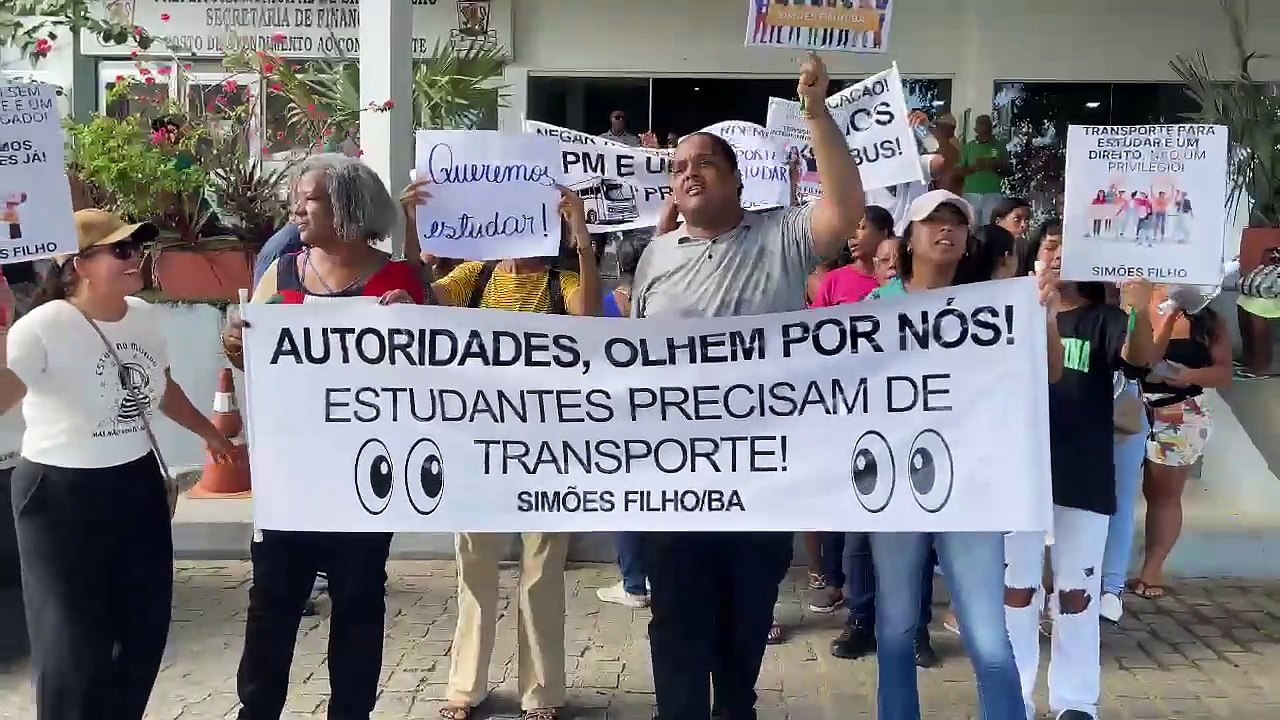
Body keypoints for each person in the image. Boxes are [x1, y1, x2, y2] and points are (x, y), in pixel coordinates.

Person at [635, 53, 864, 720]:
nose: (688, 173)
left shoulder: (782, 237)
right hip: (670, 476)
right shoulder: (655, 255)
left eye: (703, 161)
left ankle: (736, 707)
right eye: (678, 168)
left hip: (760, 474)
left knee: (743, 618)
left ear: (736, 181)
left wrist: (817, 114)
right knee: (676, 618)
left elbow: (845, 208)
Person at [3, 209, 235, 720]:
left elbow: (158, 386)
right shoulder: (41, 327)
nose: (138, 259)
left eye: (139, 249)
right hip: (58, 495)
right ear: (79, 265)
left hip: (134, 486)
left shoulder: (144, 316)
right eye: (123, 250)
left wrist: (206, 430)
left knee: (141, 632)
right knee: (72, 645)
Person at [221, 154, 426, 720]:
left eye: (308, 198)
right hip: (290, 480)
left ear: (348, 208)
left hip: (363, 481)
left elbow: (440, 368)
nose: (295, 206)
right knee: (271, 606)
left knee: (359, 605)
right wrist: (237, 340)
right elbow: (242, 348)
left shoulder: (403, 280)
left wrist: (417, 327)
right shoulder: (281, 271)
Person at [863, 190, 1059, 720]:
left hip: (972, 488)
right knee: (897, 625)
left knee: (988, 633)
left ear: (968, 239)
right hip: (896, 488)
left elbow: (1051, 373)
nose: (945, 231)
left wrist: (1042, 314)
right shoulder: (875, 308)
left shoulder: (994, 306)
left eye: (955, 223)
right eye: (933, 223)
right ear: (909, 239)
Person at [422, 186, 603, 720]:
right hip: (477, 446)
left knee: (543, 570)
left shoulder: (563, 281)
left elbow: (590, 318)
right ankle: (466, 686)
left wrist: (583, 239)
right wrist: (418, 233)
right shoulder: (472, 277)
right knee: (473, 566)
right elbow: (420, 307)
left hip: (548, 448)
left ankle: (541, 691)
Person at [1004, 219, 1156, 720]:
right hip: (1020, 476)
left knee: (1076, 594)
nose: (1058, 258)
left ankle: (1075, 702)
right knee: (1018, 593)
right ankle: (1015, 697)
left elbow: (1138, 359)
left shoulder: (1102, 318)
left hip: (1085, 472)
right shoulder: (1007, 312)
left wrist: (1137, 309)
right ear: (1033, 255)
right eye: (1050, 247)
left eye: (1071, 251)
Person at [1126, 286, 1231, 600]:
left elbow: (1224, 371)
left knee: (1164, 495)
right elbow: (1143, 359)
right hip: (1129, 405)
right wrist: (1164, 318)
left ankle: (1152, 570)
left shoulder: (1207, 319)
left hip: (1181, 412)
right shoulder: (1133, 301)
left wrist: (1190, 375)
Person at [597, 239, 649, 607]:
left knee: (626, 496)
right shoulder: (666, 298)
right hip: (663, 412)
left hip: (616, 414)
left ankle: (634, 584)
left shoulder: (604, 306)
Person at [959, 114, 1009, 223]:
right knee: (971, 228)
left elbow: (1008, 171)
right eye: (981, 131)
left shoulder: (1000, 146)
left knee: (989, 229)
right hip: (971, 194)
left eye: (986, 130)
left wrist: (996, 166)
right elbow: (958, 172)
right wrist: (973, 168)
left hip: (993, 193)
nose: (984, 135)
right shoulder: (968, 147)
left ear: (991, 128)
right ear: (976, 130)